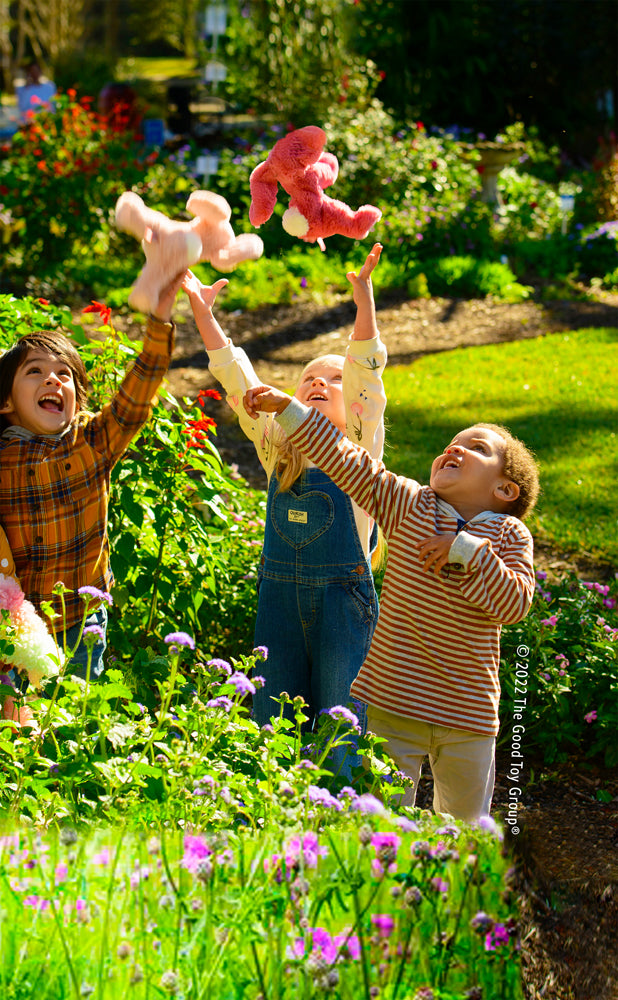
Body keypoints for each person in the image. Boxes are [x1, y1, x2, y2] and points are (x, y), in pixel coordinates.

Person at [243, 380, 540, 822]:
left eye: (476, 448)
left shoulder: (509, 534)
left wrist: (466, 551)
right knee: (380, 821)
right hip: (393, 702)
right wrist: (290, 409)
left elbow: (514, 604)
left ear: (505, 491)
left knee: (465, 828)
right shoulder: (409, 504)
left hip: (468, 714)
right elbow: (346, 459)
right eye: (451, 444)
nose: (454, 449)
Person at [183, 244, 387, 746]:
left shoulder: (359, 448)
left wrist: (364, 304)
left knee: (341, 719)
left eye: (334, 379)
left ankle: (340, 788)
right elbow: (239, 382)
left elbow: (366, 377)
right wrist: (205, 317)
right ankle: (274, 784)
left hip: (342, 607)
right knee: (273, 715)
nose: (320, 382)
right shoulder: (278, 446)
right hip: (279, 603)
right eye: (309, 378)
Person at [0, 274, 184, 680]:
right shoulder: (3, 458)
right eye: (35, 371)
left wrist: (160, 318)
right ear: (6, 402)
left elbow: (135, 399)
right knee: (17, 716)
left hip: (79, 624)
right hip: (15, 627)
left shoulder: (90, 443)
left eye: (64, 374)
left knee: (77, 712)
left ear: (77, 398)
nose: (53, 379)